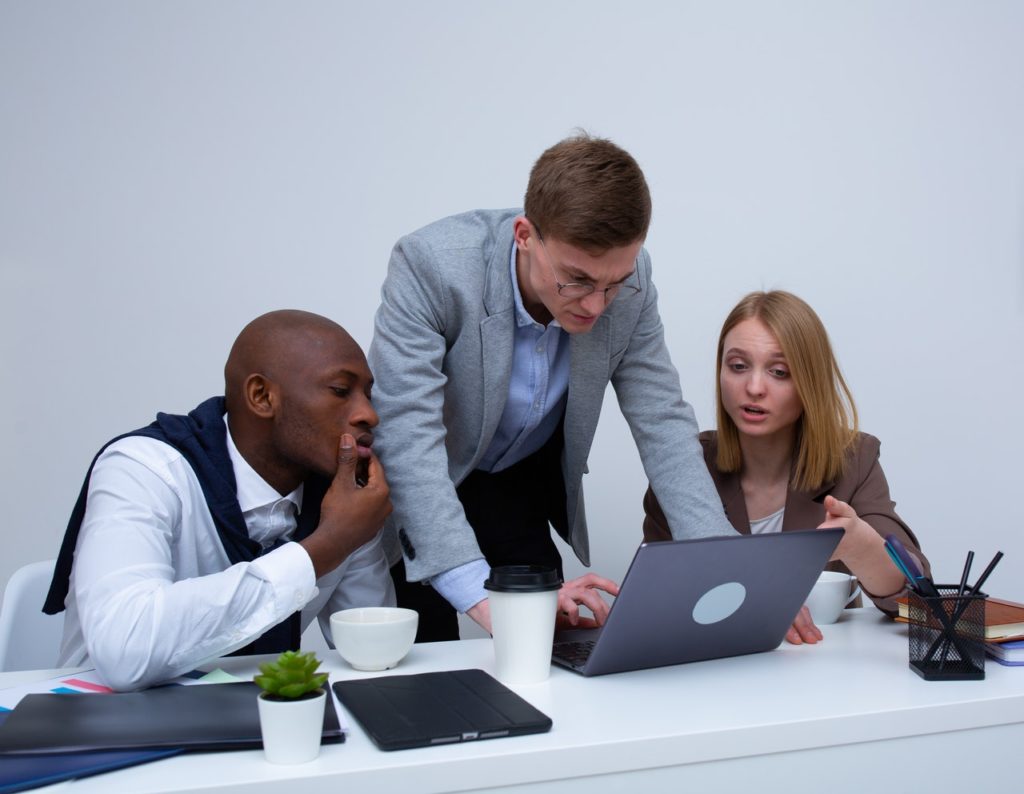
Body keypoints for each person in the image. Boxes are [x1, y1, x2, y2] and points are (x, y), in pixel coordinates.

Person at [368, 133, 736, 641]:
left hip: (519, 483)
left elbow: (663, 420)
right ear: (524, 235)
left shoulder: (630, 279)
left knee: (550, 653)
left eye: (614, 283)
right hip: (428, 482)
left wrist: (727, 567)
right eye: (577, 280)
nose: (596, 305)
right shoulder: (431, 266)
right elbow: (406, 436)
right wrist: (481, 599)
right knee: (426, 666)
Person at [44, 310, 395, 690]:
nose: (369, 415)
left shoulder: (341, 497)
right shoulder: (144, 469)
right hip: (103, 725)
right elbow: (124, 652)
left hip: (262, 730)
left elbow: (373, 650)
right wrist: (328, 545)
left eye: (369, 395)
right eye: (342, 391)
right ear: (262, 396)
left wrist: (347, 535)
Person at [642, 290, 928, 643]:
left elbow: (915, 596)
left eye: (779, 372)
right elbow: (654, 602)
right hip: (717, 672)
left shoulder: (854, 459)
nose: (754, 387)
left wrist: (861, 547)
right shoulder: (683, 466)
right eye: (738, 366)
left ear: (810, 382)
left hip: (823, 674)